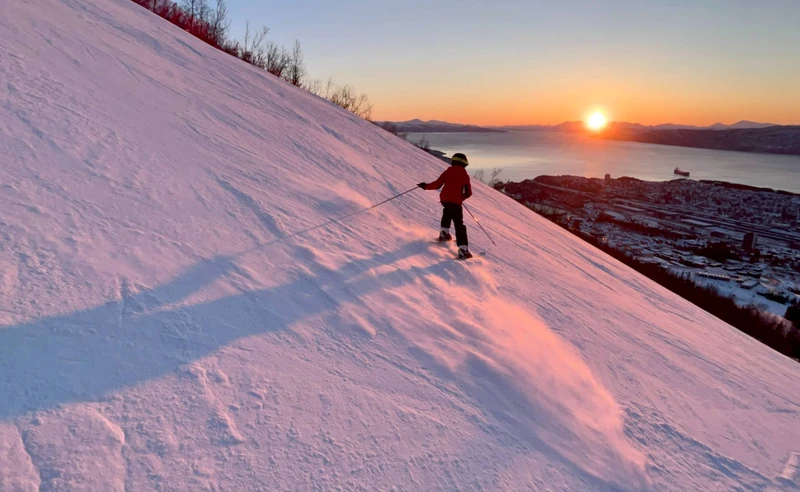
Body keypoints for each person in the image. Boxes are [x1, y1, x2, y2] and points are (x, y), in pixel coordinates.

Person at [418, 153, 473, 259]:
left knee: (447, 212)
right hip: (456, 203)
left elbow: (437, 184)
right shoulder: (465, 176)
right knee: (459, 224)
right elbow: (468, 193)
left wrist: (425, 186)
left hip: (445, 200)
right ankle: (463, 249)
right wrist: (461, 198)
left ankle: (444, 233)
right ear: (464, 163)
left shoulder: (447, 172)